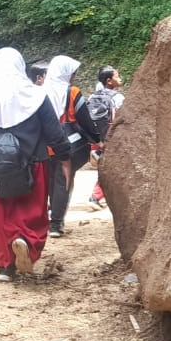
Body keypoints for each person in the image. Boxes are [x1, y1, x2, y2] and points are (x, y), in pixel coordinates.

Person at [0, 48, 72, 281]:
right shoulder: (36, 96)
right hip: (33, 163)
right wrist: (65, 159)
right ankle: (26, 243)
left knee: (1, 213)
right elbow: (54, 133)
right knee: (32, 210)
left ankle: (4, 266)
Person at [39, 55, 100, 238]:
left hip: (44, 145)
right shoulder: (72, 92)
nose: (73, 77)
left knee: (49, 183)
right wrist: (97, 138)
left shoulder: (40, 91)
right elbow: (85, 119)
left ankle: (47, 219)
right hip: (67, 145)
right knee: (63, 181)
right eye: (72, 73)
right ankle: (56, 224)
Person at [87, 66, 124, 211]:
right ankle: (95, 196)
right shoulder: (117, 97)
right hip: (110, 136)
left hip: (96, 137)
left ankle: (97, 196)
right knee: (112, 168)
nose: (120, 79)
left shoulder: (92, 96)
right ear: (109, 81)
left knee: (105, 168)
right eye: (117, 76)